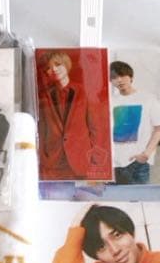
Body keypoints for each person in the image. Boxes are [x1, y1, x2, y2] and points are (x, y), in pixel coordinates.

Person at [37, 51, 108, 181]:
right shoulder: (43, 96)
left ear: (66, 65)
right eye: (49, 68)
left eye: (57, 64)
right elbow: (41, 129)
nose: (54, 69)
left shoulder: (85, 92)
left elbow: (96, 127)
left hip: (80, 159)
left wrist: (94, 157)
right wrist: (43, 156)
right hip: (52, 161)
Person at [109, 60, 160, 184]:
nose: (119, 80)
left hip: (138, 162)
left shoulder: (148, 99)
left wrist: (146, 154)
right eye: (114, 77)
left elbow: (159, 129)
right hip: (115, 163)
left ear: (131, 77)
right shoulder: (110, 101)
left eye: (122, 75)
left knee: (140, 195)